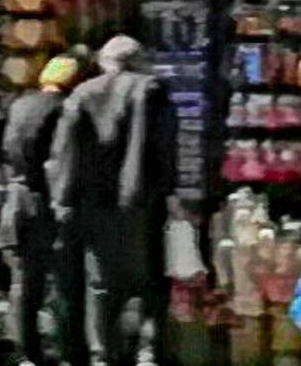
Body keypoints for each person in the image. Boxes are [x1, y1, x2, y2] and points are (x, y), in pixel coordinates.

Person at [54, 36, 180, 366]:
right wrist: (169, 191)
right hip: (142, 201)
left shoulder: (82, 94)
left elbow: (66, 152)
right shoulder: (153, 90)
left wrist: (63, 200)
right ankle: (146, 351)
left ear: (105, 62)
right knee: (147, 278)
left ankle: (102, 354)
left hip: (93, 202)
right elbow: (165, 149)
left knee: (100, 283)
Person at [0, 55, 86, 366]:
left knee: (25, 284)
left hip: (17, 203)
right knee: (64, 282)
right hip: (50, 203)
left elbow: (7, 151)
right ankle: (67, 352)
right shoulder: (67, 110)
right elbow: (63, 159)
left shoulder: (19, 105)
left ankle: (25, 353)